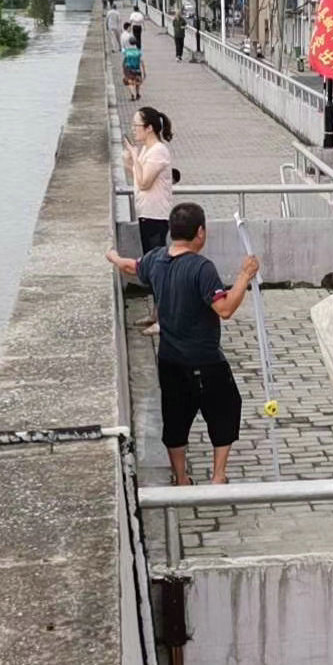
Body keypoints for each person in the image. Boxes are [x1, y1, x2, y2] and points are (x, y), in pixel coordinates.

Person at [106, 202, 259, 486]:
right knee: (225, 410)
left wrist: (113, 257)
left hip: (169, 359)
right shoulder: (202, 268)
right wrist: (243, 277)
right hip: (205, 360)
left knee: (175, 419)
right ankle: (218, 476)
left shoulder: (155, 259)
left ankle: (181, 478)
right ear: (200, 232)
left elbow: (131, 266)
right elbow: (224, 309)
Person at [123, 107, 174, 255]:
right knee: (150, 259)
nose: (133, 129)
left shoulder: (158, 151)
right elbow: (138, 178)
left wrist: (134, 155)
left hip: (156, 215)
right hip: (146, 213)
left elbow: (145, 183)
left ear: (149, 128)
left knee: (155, 260)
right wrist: (128, 161)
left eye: (136, 125)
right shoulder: (146, 149)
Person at [121, 25, 144, 100]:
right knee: (137, 81)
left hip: (129, 69)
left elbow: (124, 58)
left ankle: (132, 94)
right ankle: (137, 94)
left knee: (129, 82)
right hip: (137, 69)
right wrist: (144, 71)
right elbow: (141, 61)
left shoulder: (126, 51)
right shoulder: (138, 51)